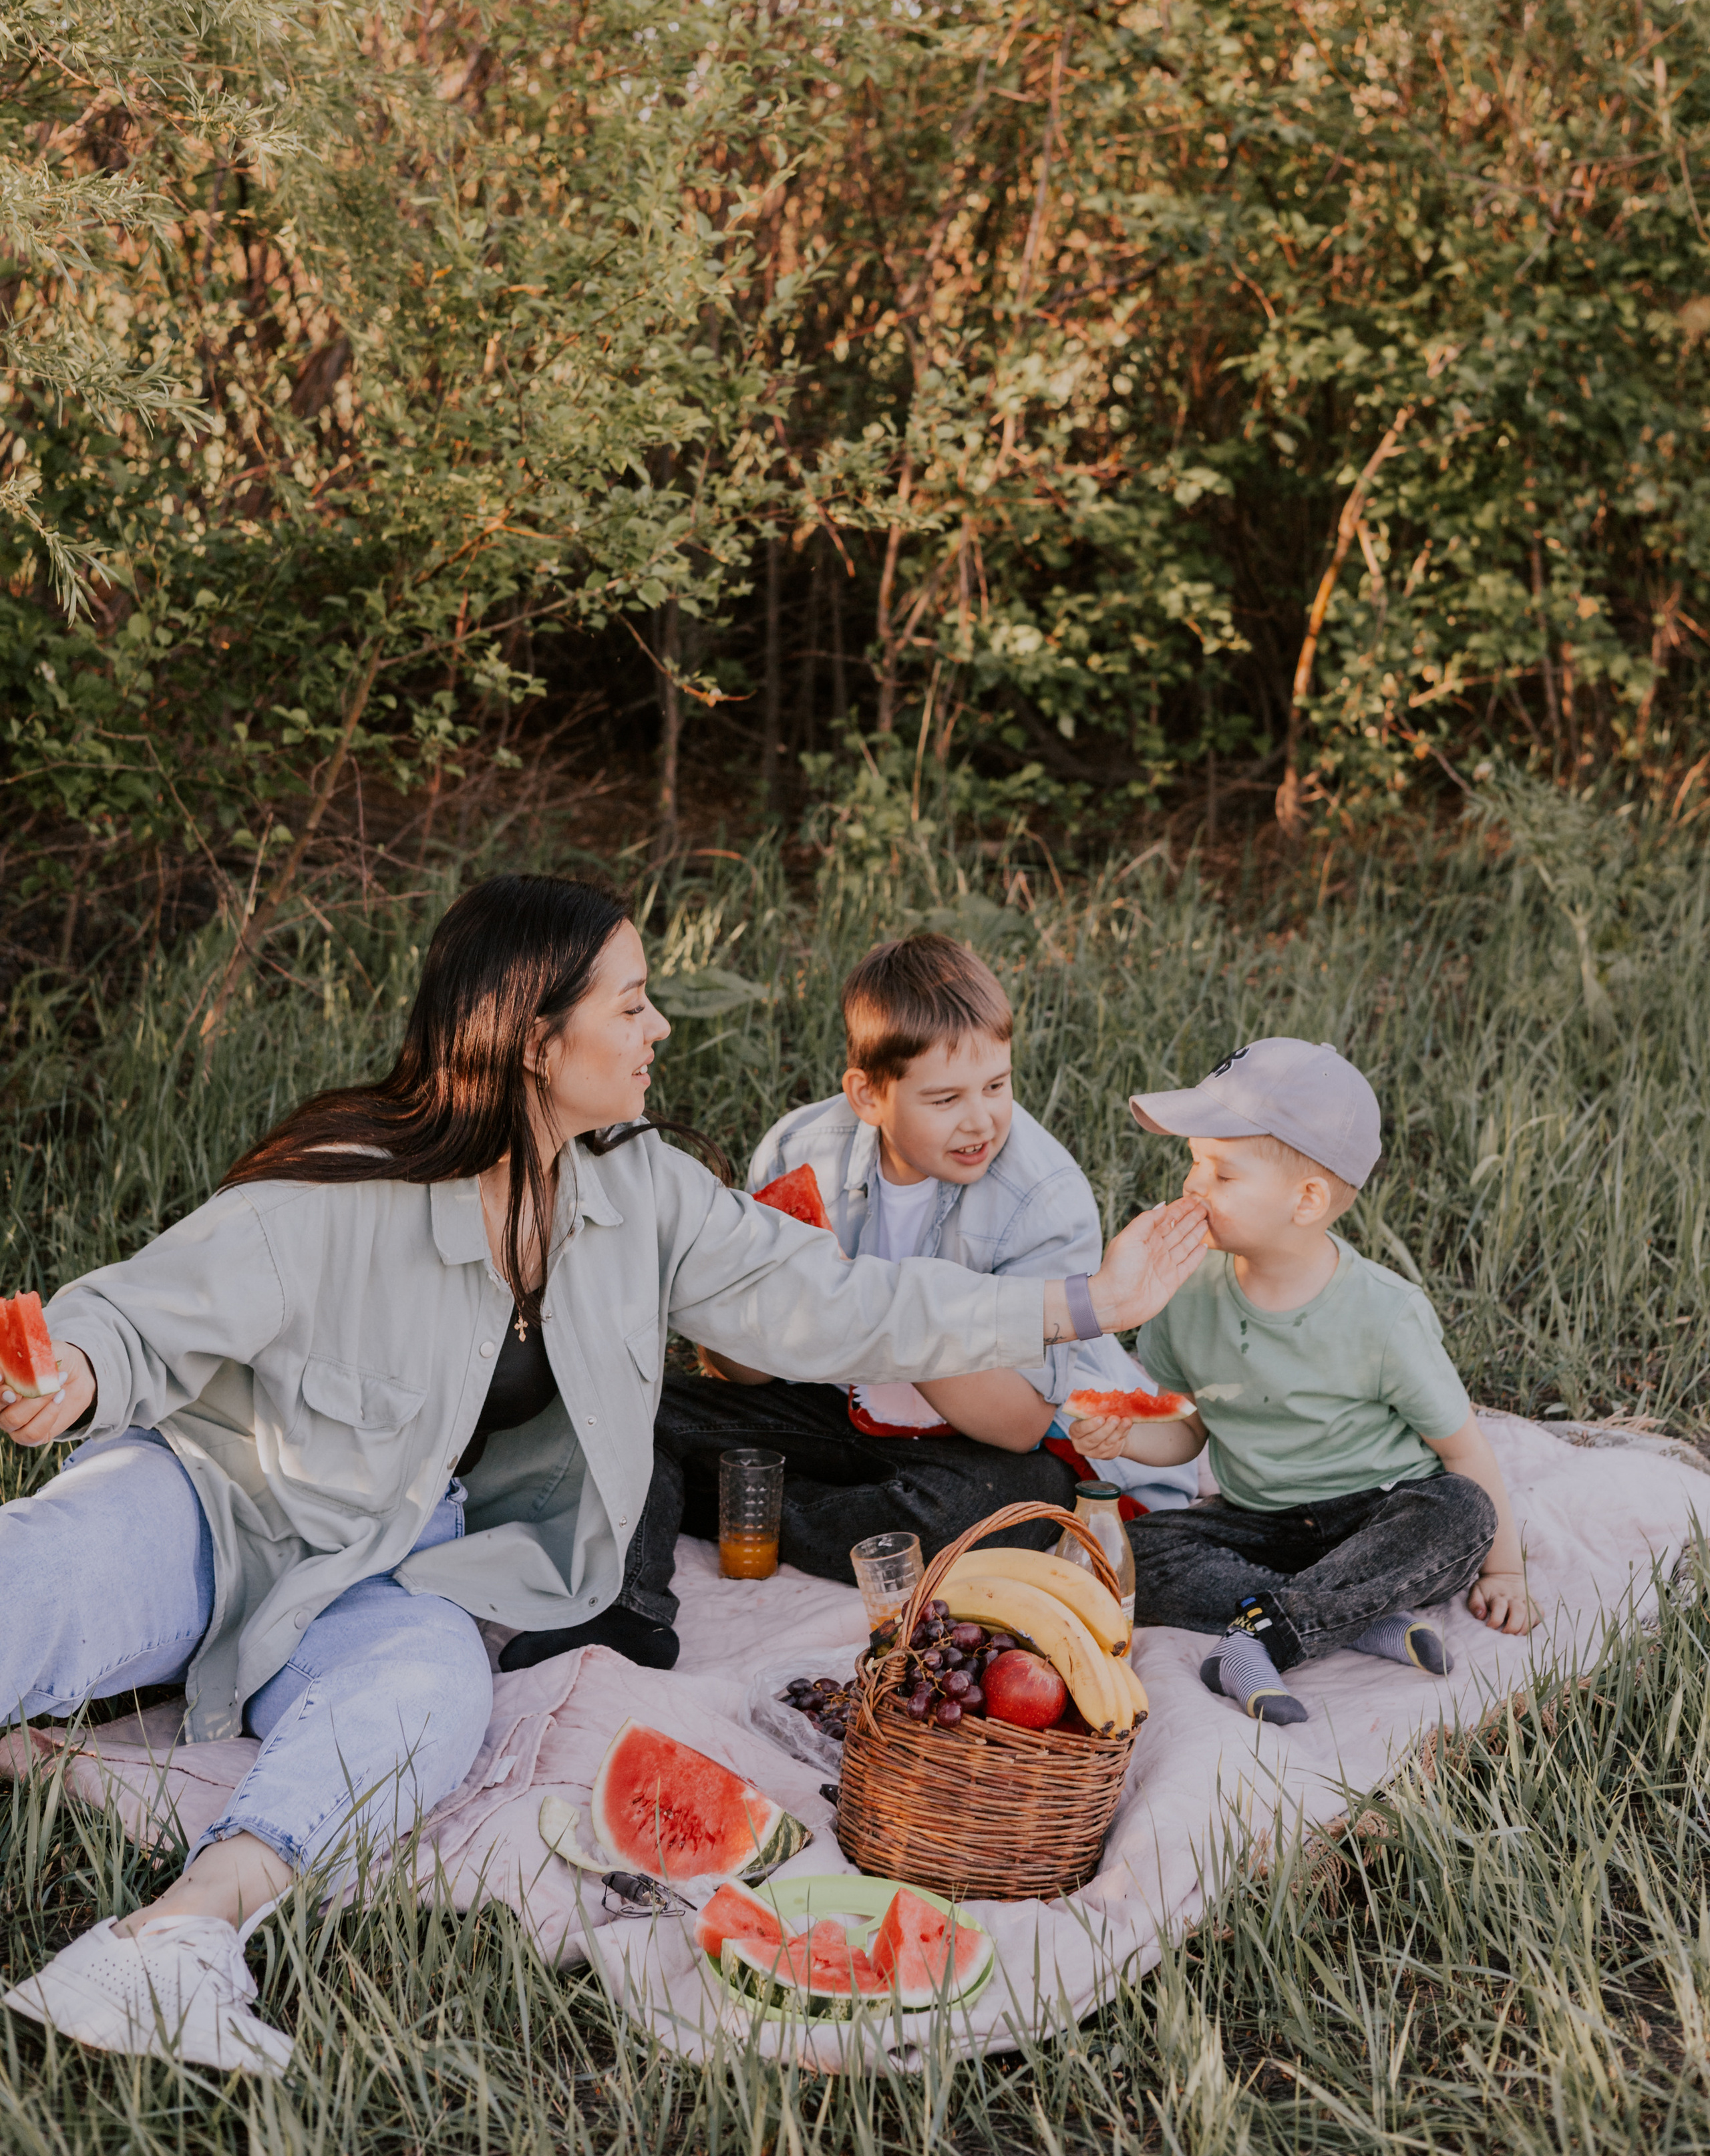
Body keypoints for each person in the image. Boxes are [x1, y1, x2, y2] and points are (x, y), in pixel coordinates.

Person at [0, 876, 1209, 2071]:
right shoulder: (350, 1183)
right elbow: (140, 1313)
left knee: (426, 1706)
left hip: (410, 1560)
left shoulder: (642, 1193)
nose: (660, 1028)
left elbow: (840, 1304)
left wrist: (1087, 1301)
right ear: (536, 1039)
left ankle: (176, 1939)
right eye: (632, 1005)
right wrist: (75, 1378)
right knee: (49, 1582)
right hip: (220, 1499)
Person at [601, 932, 1201, 1649]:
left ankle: (740, 1506)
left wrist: (886, 1313)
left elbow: (1014, 1424)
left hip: (975, 1449)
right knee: (634, 1406)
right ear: (868, 1095)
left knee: (1008, 1505)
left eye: (997, 1086)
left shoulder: (1043, 1196)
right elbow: (743, 1368)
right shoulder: (799, 1149)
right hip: (837, 1408)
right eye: (944, 1098)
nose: (980, 1120)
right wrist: (735, 1306)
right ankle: (629, 1605)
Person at [1067, 1037, 1541, 1726]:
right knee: (1129, 1557)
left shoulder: (1383, 1315)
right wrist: (1128, 1438)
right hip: (1260, 1521)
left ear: (1307, 1200)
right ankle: (1352, 1613)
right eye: (1193, 1164)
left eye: (1222, 1175)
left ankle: (1266, 1636)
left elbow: (1464, 1450)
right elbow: (1191, 1430)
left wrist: (1507, 1572)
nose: (1192, 1188)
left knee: (1461, 1512)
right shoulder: (1188, 1292)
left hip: (1377, 1513)